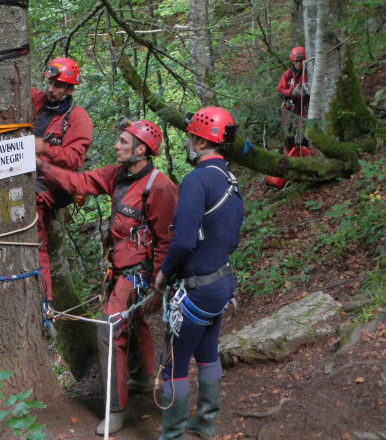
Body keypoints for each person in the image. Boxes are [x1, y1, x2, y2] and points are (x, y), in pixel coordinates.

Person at [36, 119, 178, 436]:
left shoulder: (160, 187)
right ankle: (143, 377)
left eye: (123, 142)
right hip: (118, 269)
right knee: (134, 320)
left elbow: (167, 242)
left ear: (141, 150)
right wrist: (41, 165)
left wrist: (158, 287)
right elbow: (78, 182)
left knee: (108, 331)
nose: (116, 145)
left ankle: (115, 409)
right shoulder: (117, 175)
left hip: (139, 274)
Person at [153, 107, 244, 440]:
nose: (188, 142)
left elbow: (183, 240)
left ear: (199, 141)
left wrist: (164, 274)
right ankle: (205, 422)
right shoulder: (229, 179)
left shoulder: (196, 180)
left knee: (173, 364)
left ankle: (173, 434)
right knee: (206, 353)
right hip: (221, 281)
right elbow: (231, 238)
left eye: (190, 137)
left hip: (199, 288)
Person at [32, 57, 93, 308]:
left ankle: (44, 300)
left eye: (57, 85)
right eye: (49, 83)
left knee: (35, 225)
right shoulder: (38, 102)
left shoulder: (78, 117)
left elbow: (74, 158)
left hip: (57, 182)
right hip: (31, 174)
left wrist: (45, 148)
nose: (51, 89)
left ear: (69, 88)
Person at [276, 46, 310, 153]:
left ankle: (304, 154)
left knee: (303, 136)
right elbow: (280, 91)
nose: (298, 64)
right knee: (288, 135)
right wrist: (291, 92)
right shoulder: (288, 74)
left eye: (301, 61)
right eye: (296, 61)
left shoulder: (309, 74)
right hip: (289, 109)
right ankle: (288, 154)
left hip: (303, 109)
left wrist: (307, 90)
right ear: (293, 61)